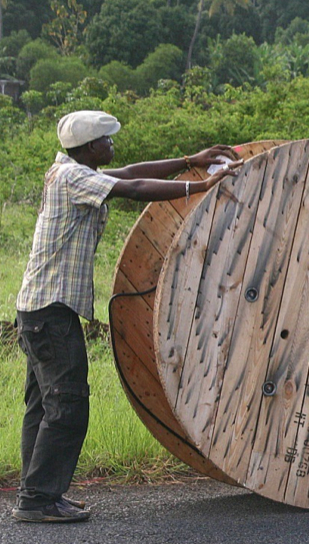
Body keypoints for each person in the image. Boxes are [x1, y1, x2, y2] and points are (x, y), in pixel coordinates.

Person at [12, 110, 241, 522]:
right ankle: (38, 500)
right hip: (50, 311)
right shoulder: (72, 178)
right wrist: (201, 185)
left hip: (40, 309)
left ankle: (37, 492)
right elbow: (133, 186)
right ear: (88, 146)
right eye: (106, 141)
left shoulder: (71, 169)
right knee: (68, 404)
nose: (112, 146)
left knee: (45, 406)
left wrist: (191, 158)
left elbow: (133, 171)